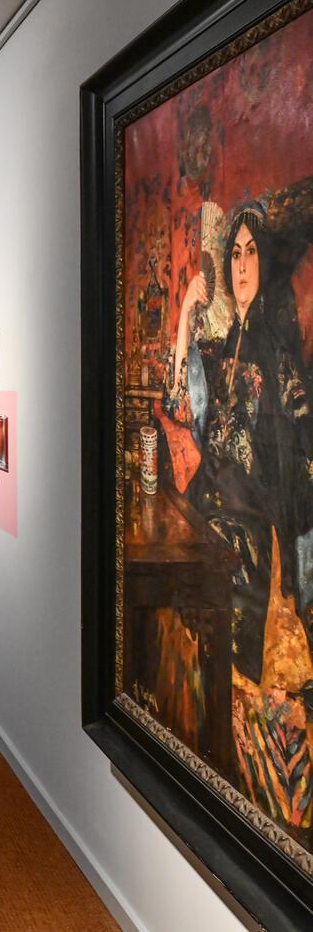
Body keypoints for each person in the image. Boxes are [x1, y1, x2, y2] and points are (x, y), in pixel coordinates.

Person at [166, 202, 313, 830]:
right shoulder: (219, 340)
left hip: (256, 527)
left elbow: (291, 459)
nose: (243, 263)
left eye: (252, 251)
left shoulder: (277, 349)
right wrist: (181, 321)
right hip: (214, 508)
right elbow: (179, 403)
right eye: (235, 252)